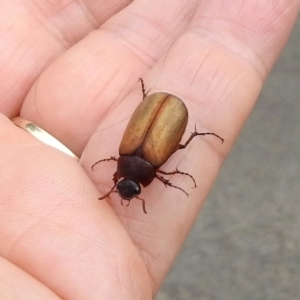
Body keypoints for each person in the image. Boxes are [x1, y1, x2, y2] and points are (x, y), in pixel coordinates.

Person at [0, 1, 299, 299]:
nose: (124, 190)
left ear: (121, 175)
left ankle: (193, 132)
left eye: (119, 185)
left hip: (161, 114)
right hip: (160, 117)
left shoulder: (140, 165)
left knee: (176, 145)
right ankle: (194, 133)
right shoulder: (132, 160)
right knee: (177, 148)